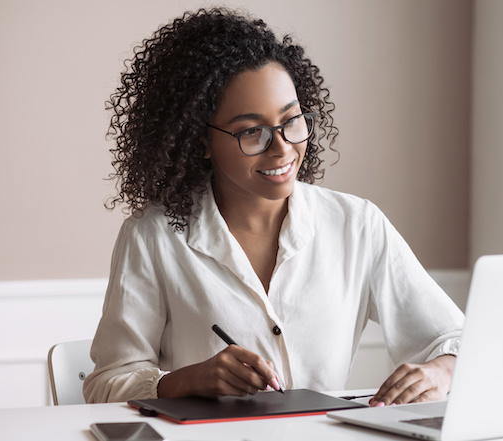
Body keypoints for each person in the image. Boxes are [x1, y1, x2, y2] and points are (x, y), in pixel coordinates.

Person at [83, 8, 464, 407]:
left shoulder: (357, 225)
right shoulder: (154, 236)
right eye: (252, 131)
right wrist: (187, 379)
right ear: (200, 140)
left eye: (292, 121)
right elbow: (105, 385)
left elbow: (455, 338)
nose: (282, 148)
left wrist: (441, 371)